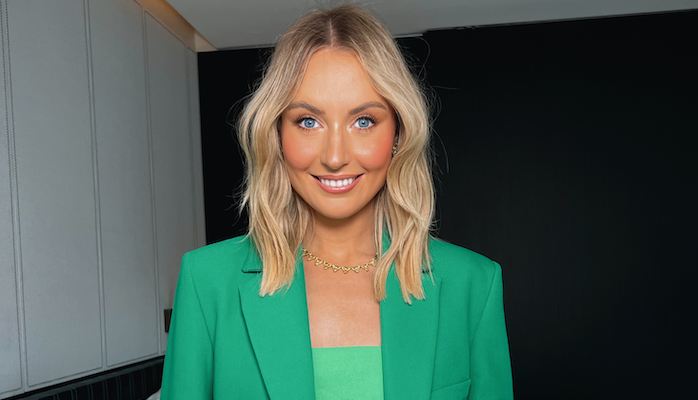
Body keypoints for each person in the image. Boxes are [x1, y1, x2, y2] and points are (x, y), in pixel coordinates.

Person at [161, 4, 512, 400]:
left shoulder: (473, 284)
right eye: (308, 121)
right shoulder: (206, 282)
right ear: (276, 134)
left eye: (364, 121)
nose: (334, 156)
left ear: (398, 134)